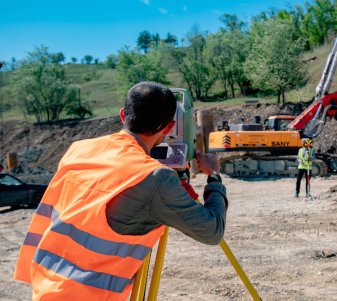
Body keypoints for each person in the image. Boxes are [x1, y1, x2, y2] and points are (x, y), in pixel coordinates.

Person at [14, 82, 228, 301]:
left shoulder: (79, 149)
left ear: (123, 115)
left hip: (47, 286)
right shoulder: (155, 177)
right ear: (168, 126)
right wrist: (214, 177)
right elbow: (212, 231)